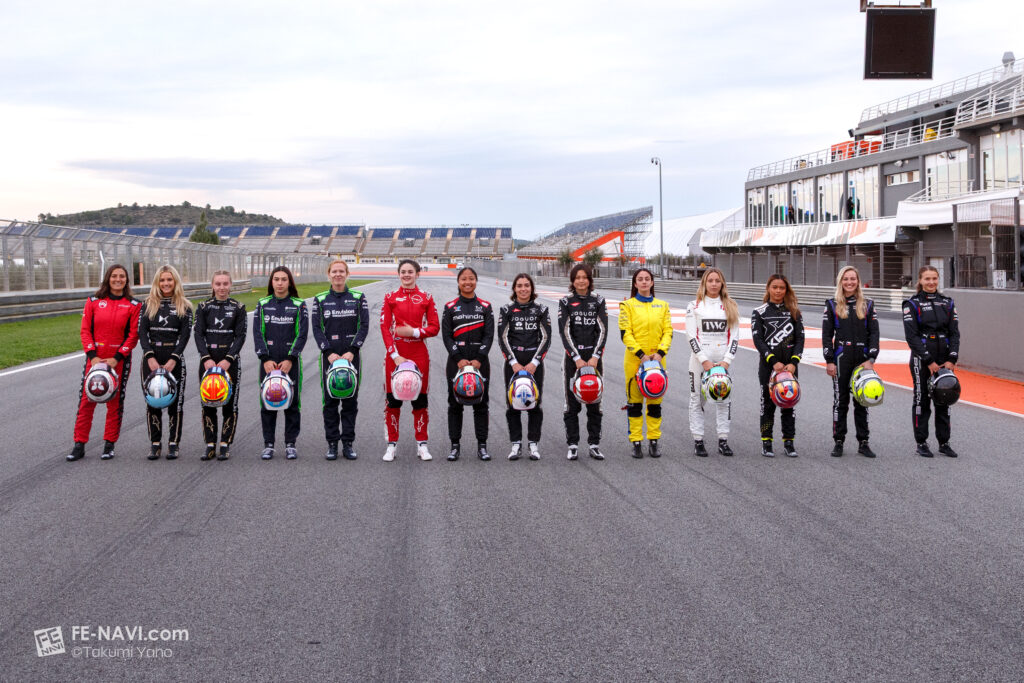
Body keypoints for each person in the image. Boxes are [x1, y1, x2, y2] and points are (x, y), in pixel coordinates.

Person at [66, 264, 141, 461]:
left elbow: (133, 335)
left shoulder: (134, 305)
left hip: (119, 361)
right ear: (108, 278)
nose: (118, 279)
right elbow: (85, 331)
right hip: (95, 360)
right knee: (86, 401)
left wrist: (117, 358)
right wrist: (93, 356)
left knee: (115, 402)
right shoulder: (93, 301)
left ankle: (109, 444)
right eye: (114, 276)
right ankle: (79, 444)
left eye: (122, 276)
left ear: (126, 280)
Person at [380, 259, 439, 462]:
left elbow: (434, 327)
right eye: (403, 271)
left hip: (419, 354)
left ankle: (422, 444)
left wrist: (414, 332)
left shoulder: (426, 298)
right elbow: (385, 328)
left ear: (417, 274)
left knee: (420, 401)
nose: (406, 275)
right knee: (393, 401)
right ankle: (391, 445)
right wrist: (395, 355)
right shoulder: (390, 297)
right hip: (395, 355)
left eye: (410, 272)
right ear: (399, 274)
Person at [312, 260, 369, 461]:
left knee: (350, 400)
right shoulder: (320, 299)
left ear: (347, 274)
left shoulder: (358, 297)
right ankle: (332, 443)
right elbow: (316, 328)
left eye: (341, 271)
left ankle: (348, 443)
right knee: (330, 401)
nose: (338, 274)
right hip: (330, 357)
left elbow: (364, 325)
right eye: (334, 271)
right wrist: (327, 352)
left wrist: (353, 350)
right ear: (329, 274)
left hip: (351, 356)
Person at [903, 265, 960, 458]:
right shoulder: (912, 304)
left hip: (944, 359)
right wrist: (928, 361)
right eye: (927, 279)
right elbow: (911, 337)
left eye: (934, 278)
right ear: (920, 280)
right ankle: (921, 442)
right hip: (922, 360)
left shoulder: (947, 303)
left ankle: (944, 442)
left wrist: (952, 358)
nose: (931, 282)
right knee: (922, 399)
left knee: (945, 397)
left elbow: (954, 333)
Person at [823, 265, 880, 458]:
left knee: (862, 401)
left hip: (862, 360)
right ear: (840, 281)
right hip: (841, 357)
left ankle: (863, 442)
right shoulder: (832, 304)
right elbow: (826, 335)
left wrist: (871, 358)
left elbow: (874, 333)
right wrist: (829, 360)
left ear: (858, 281)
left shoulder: (868, 304)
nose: (849, 282)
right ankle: (838, 441)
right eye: (846, 279)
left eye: (853, 279)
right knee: (841, 401)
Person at [138, 265, 193, 461]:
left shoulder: (185, 306)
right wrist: (149, 356)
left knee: (175, 404)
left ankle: (173, 443)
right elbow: (142, 333)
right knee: (152, 402)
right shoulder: (147, 304)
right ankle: (155, 444)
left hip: (174, 359)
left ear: (175, 281)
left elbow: (185, 336)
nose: (166, 283)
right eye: (162, 280)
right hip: (151, 359)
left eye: (169, 279)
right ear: (157, 282)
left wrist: (174, 358)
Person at [253, 266, 308, 460]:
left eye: (284, 279)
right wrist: (265, 359)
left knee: (292, 402)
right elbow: (258, 333)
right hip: (268, 362)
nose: (280, 283)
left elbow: (302, 334)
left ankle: (290, 443)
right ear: (271, 282)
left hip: (290, 362)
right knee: (267, 402)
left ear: (290, 282)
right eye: (276, 279)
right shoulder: (262, 304)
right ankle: (268, 444)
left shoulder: (299, 304)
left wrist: (291, 358)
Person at [685, 267, 740, 457]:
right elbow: (691, 336)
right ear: (704, 283)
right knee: (697, 399)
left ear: (722, 283)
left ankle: (723, 440)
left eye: (717, 281)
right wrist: (704, 361)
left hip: (723, 360)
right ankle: (698, 440)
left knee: (724, 399)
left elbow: (734, 337)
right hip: (699, 361)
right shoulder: (694, 305)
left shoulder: (730, 305)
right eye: (710, 281)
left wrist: (727, 361)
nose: (714, 284)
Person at [619, 268, 673, 458]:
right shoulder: (627, 306)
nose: (643, 282)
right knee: (634, 404)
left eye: (647, 279)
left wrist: (660, 353)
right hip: (635, 360)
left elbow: (668, 332)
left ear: (652, 282)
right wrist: (641, 354)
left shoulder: (663, 306)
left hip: (658, 360)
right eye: (640, 279)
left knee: (655, 403)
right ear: (635, 283)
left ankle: (654, 440)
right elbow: (625, 333)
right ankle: (636, 441)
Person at [441, 266, 494, 461]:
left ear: (476, 281)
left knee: (482, 404)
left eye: (471, 278)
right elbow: (446, 336)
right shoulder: (450, 307)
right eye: (464, 279)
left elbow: (489, 335)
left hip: (480, 362)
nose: (468, 282)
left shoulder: (485, 306)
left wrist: (479, 358)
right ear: (458, 282)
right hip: (456, 362)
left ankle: (482, 446)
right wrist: (458, 359)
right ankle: (455, 446)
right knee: (455, 404)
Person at [556, 264, 608, 460]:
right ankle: (573, 444)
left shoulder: (598, 300)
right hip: (572, 360)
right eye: (577, 277)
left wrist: (595, 356)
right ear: (572, 280)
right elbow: (565, 331)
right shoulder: (565, 302)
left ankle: (594, 444)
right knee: (571, 404)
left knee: (594, 401)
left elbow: (603, 330)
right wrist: (576, 358)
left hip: (594, 359)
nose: (581, 281)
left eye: (584, 277)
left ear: (589, 279)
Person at [194, 270, 247, 461]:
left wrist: (228, 359)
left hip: (229, 362)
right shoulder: (203, 307)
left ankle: (225, 443)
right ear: (212, 285)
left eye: (225, 283)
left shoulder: (239, 307)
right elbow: (198, 334)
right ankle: (210, 444)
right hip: (208, 362)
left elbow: (240, 336)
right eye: (218, 284)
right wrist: (206, 358)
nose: (222, 287)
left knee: (229, 404)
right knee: (208, 403)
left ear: (230, 285)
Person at [498, 273, 551, 461]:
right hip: (513, 362)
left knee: (534, 402)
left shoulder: (541, 309)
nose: (523, 289)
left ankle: (533, 444)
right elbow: (502, 338)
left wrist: (534, 362)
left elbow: (546, 337)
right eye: (519, 285)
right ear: (514, 288)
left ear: (532, 288)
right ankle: (516, 444)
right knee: (513, 402)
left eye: (526, 285)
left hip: (534, 362)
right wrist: (513, 362)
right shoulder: (506, 310)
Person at [750, 274, 804, 458]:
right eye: (775, 287)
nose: (778, 291)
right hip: (768, 367)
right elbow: (758, 340)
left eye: (782, 288)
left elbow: (800, 339)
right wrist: (773, 361)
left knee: (789, 403)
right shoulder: (759, 312)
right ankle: (767, 442)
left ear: (786, 290)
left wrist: (794, 362)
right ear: (768, 288)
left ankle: (789, 442)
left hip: (790, 368)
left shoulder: (794, 312)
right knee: (767, 404)